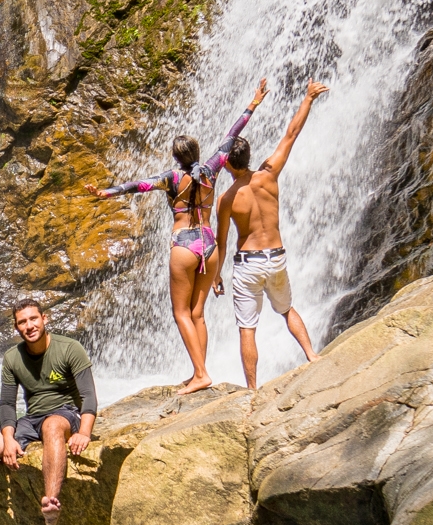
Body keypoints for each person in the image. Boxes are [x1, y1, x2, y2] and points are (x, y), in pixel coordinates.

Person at [88, 78, 267, 392]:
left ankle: (201, 373)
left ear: (176, 157)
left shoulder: (172, 178)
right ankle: (200, 370)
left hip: (184, 243)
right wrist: (253, 103)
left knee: (180, 311)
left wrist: (106, 193)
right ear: (197, 152)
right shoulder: (212, 168)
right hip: (209, 244)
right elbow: (232, 133)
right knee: (198, 312)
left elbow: (136, 186)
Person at [0, 298, 97, 525]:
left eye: (33, 319)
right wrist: (8, 439)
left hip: (66, 412)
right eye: (22, 322)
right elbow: (7, 404)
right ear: (17, 327)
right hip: (32, 419)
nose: (29, 326)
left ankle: (50, 503)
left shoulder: (69, 348)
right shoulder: (12, 358)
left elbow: (88, 396)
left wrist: (84, 432)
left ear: (44, 319)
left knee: (52, 426)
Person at [220, 80, 328, 388]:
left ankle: (252, 389)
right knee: (286, 309)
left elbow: (222, 242)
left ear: (227, 163)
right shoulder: (269, 173)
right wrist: (307, 97)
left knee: (247, 329)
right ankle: (311, 355)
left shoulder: (226, 199)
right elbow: (291, 134)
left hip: (248, 264)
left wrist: (215, 276)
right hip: (276, 258)